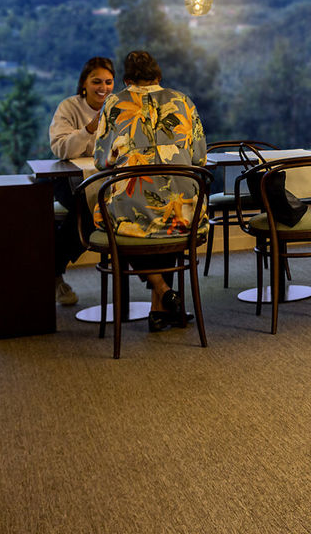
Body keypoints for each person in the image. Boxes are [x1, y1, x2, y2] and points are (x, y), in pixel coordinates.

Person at [93, 50, 207, 333]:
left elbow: (101, 160)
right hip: (184, 215)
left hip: (132, 209)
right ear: (158, 76)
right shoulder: (183, 101)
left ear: (127, 80)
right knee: (166, 216)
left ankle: (163, 294)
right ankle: (162, 300)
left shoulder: (114, 103)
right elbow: (200, 159)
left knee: (122, 219)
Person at [48, 56, 116, 306]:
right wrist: (89, 129)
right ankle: (53, 274)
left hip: (105, 176)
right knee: (88, 212)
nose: (103, 87)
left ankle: (52, 271)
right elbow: (61, 149)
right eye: (96, 81)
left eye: (108, 82)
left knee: (118, 207)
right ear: (84, 83)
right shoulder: (69, 107)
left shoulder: (117, 108)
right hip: (69, 177)